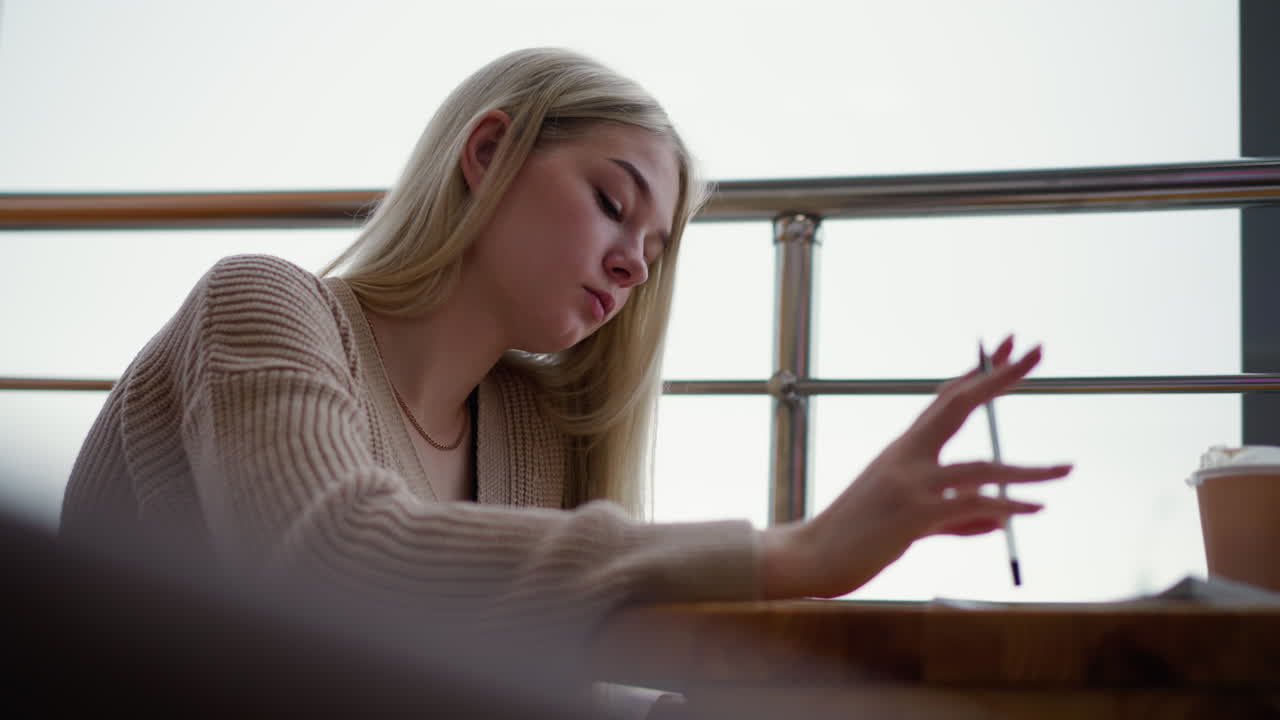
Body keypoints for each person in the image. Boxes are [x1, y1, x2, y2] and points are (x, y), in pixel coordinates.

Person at [61, 46, 1070, 713]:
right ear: (488, 151)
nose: (634, 263)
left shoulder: (533, 432)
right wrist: (795, 553)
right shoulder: (262, 306)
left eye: (654, 246)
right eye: (608, 202)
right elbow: (331, 556)